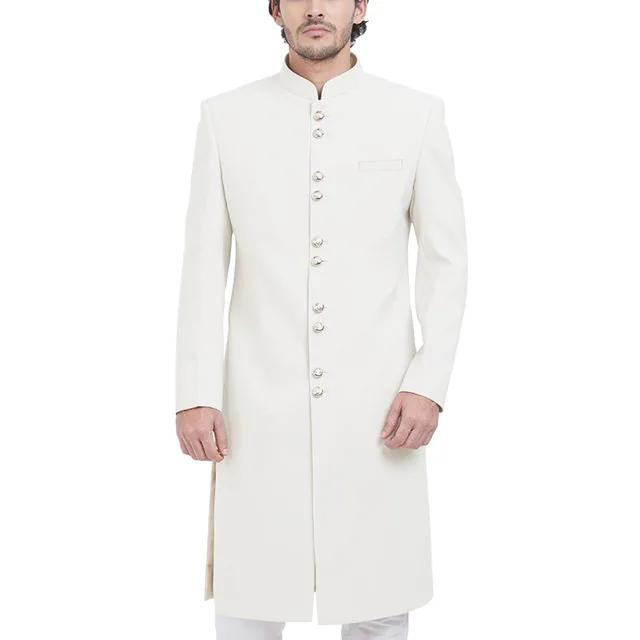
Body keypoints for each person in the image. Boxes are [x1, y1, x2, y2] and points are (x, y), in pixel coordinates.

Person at [174, 1, 468, 637]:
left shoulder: (414, 114)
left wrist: (429, 383)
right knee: (250, 604)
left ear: (359, 6)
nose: (315, 8)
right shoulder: (226, 118)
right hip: (256, 408)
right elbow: (202, 267)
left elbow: (446, 262)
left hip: (378, 408)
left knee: (378, 601)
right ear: (274, 9)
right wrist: (195, 393)